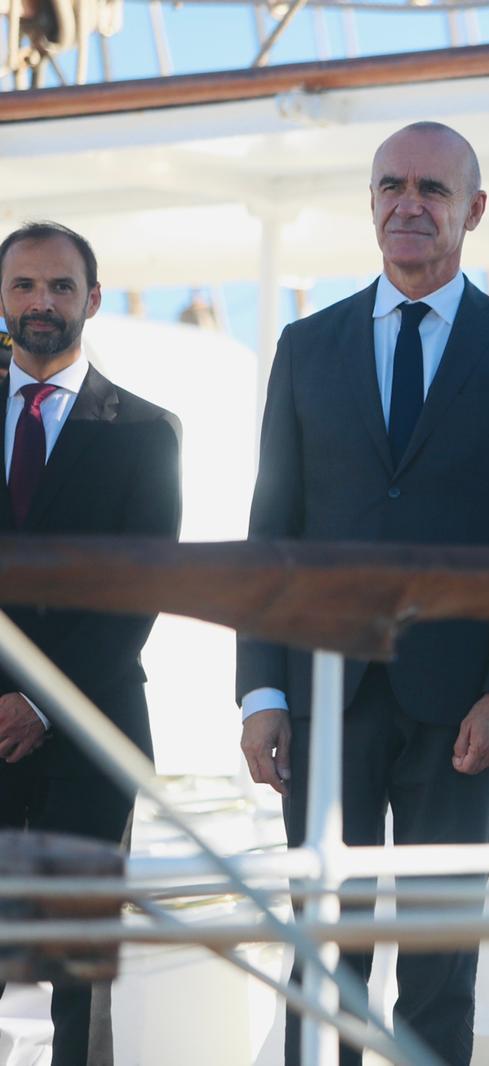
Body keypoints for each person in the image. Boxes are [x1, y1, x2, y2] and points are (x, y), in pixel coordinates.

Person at [235, 121, 489, 1066]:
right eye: (391, 185)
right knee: (323, 956)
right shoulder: (307, 349)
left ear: (473, 209)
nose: (408, 203)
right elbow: (272, 534)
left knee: (438, 959)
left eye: (432, 188)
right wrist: (262, 690)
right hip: (322, 699)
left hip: (464, 705)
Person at [0, 221, 183, 1066]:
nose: (43, 302)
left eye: (61, 287)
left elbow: (136, 590)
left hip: (92, 735)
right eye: (25, 286)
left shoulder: (146, 433)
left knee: (80, 982)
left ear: (93, 300)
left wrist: (40, 700)